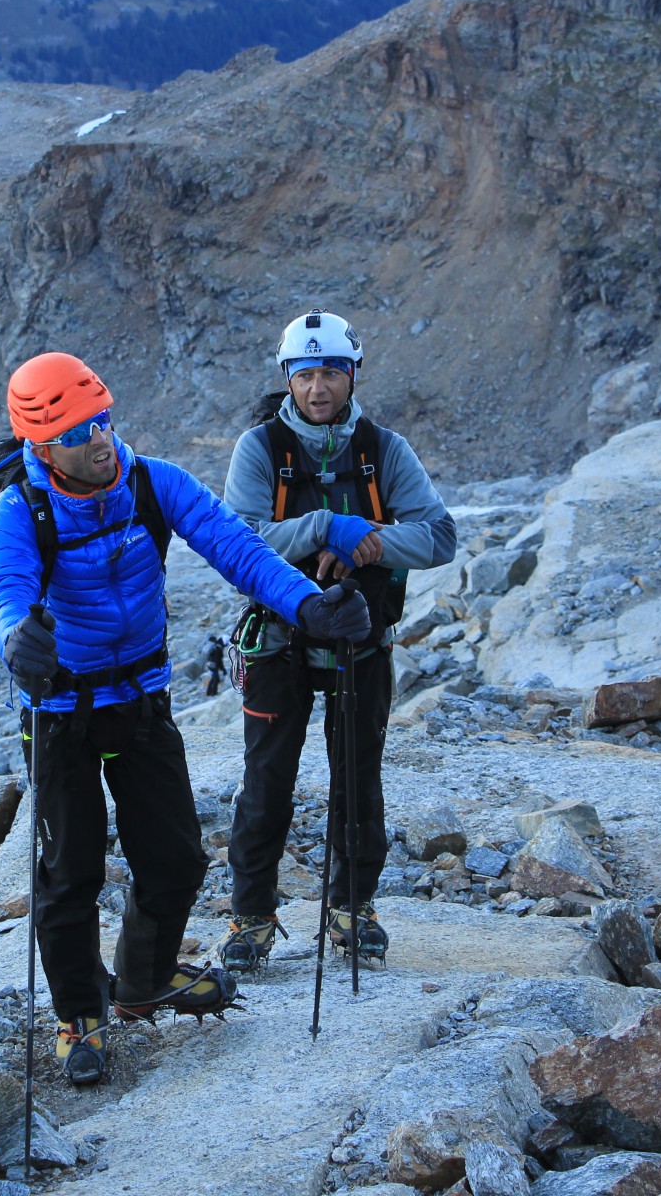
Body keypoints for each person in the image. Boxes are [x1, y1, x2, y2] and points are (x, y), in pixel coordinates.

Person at [0, 351, 371, 1087]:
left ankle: (141, 980)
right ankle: (79, 1013)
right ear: (42, 445)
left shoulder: (152, 482)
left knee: (177, 858)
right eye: (77, 432)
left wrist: (308, 605)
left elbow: (237, 547)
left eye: (103, 419)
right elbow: (5, 586)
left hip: (140, 701)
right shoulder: (21, 511)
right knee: (70, 873)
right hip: (60, 711)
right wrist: (16, 637)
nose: (100, 440)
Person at [218, 310, 457, 973]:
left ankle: (354, 906)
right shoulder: (260, 449)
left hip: (362, 639)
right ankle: (251, 918)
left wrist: (368, 543)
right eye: (305, 374)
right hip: (279, 642)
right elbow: (236, 541)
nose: (318, 387)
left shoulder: (385, 450)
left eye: (330, 372)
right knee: (267, 782)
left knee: (358, 781)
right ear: (287, 378)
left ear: (352, 375)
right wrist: (330, 526)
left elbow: (439, 536)